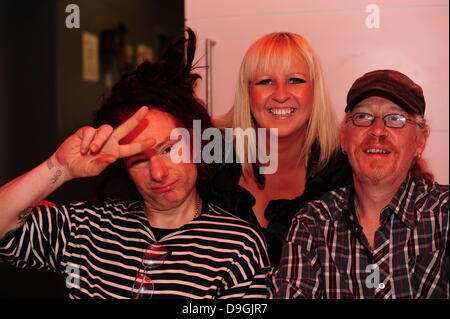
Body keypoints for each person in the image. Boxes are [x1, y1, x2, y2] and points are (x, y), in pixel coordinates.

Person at [0, 29, 269, 299]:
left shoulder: (238, 246)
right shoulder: (88, 226)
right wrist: (59, 167)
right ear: (123, 168)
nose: (158, 172)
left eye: (168, 149)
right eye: (139, 160)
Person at [267, 69, 449, 299]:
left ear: (420, 141)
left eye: (396, 119)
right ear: (343, 137)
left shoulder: (444, 217)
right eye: (363, 117)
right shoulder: (312, 225)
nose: (377, 130)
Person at [206, 32, 352, 266]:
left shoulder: (343, 171)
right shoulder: (210, 158)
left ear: (315, 90)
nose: (281, 95)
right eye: (265, 81)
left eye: (295, 80)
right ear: (247, 92)